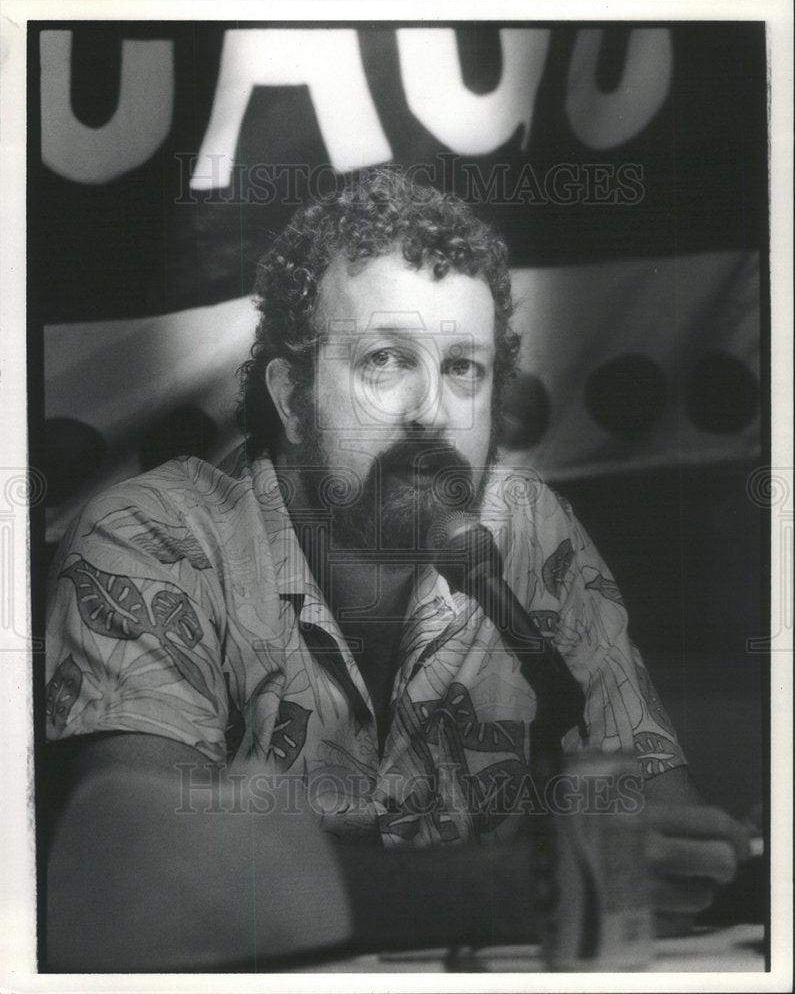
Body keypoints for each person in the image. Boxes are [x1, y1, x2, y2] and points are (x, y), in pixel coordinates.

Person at [43, 168, 748, 971]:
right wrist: (520, 881)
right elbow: (140, 886)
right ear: (292, 396)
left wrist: (702, 859)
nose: (432, 413)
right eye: (384, 360)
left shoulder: (530, 534)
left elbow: (662, 845)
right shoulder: (154, 537)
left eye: (463, 369)